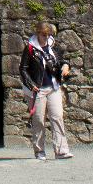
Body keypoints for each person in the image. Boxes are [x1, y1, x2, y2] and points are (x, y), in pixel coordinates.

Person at [19, 20, 73, 161]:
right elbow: (23, 69)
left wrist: (66, 66)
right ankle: (40, 151)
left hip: (53, 87)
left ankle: (61, 151)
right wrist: (31, 85)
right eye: (44, 35)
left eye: (48, 35)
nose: (46, 37)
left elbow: (61, 60)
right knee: (39, 121)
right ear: (38, 33)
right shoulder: (30, 48)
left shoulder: (53, 46)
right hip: (38, 90)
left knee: (57, 117)